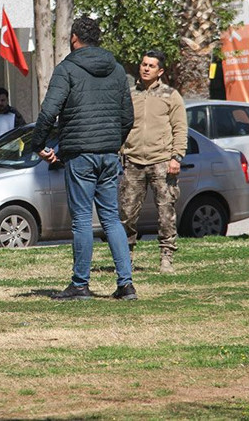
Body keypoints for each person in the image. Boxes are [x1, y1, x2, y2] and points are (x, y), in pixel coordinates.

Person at [30, 16, 136, 301]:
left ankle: (80, 284)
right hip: (109, 154)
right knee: (111, 219)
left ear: (74, 38)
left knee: (80, 220)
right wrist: (111, 141)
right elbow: (128, 118)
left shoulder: (67, 69)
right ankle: (126, 285)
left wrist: (37, 143)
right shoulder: (116, 70)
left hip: (80, 156)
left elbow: (48, 111)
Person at [119, 49, 187, 274]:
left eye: (151, 65)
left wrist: (176, 157)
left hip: (162, 162)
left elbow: (180, 129)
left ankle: (166, 256)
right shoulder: (129, 95)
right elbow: (121, 125)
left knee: (165, 213)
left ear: (160, 71)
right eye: (143, 64)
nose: (146, 68)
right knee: (127, 213)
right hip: (133, 161)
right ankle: (126, 255)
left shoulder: (170, 95)